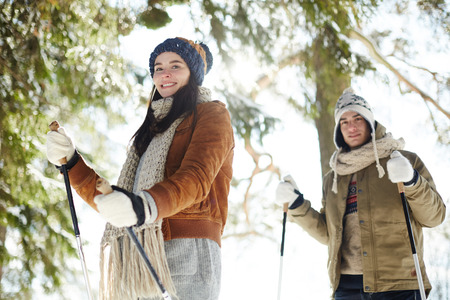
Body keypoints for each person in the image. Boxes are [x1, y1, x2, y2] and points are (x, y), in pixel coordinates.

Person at [46, 37, 235, 300]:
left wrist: (141, 207)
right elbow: (118, 201)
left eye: (175, 66)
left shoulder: (211, 113)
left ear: (193, 74)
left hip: (187, 250)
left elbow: (196, 178)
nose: (165, 74)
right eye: (158, 68)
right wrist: (71, 162)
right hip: (139, 253)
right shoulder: (151, 132)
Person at [275, 88, 446, 300]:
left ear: (370, 122)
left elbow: (434, 217)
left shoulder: (402, 161)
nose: (351, 127)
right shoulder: (332, 178)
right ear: (338, 129)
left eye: (357, 118)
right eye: (344, 121)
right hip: (347, 288)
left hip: (398, 284)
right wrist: (295, 203)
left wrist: (412, 180)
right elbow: (329, 234)